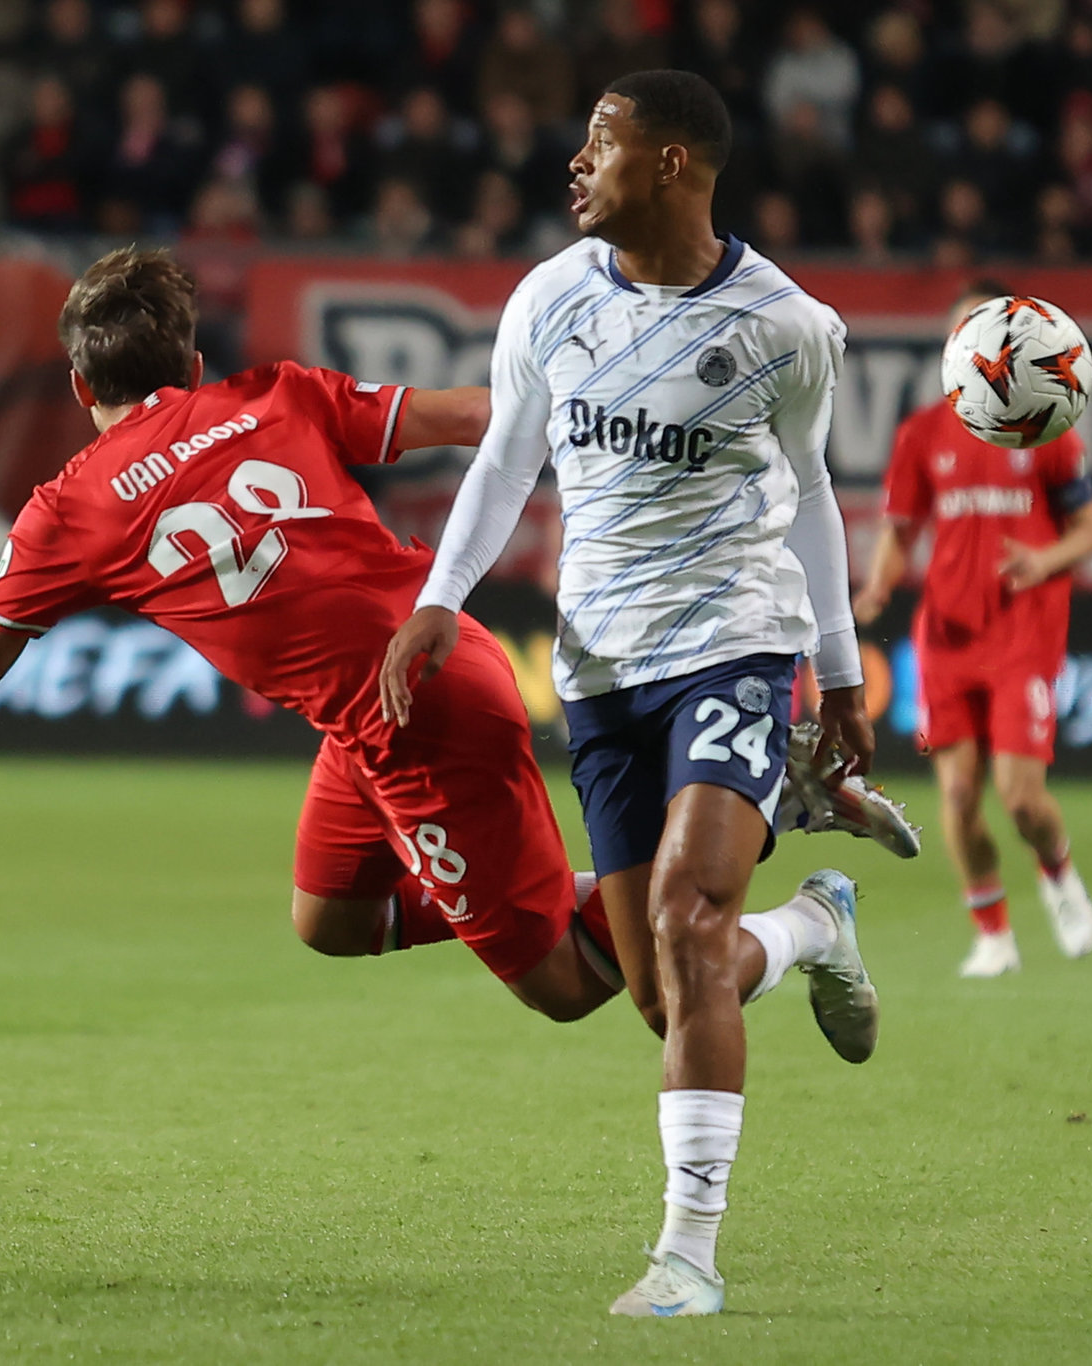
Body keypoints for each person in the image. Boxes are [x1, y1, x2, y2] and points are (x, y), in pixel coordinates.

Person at [0, 247, 625, 1024]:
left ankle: (689, 908)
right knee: (333, 918)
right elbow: (481, 415)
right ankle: (547, 890)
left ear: (78, 385)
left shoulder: (66, 511)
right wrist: (621, 407)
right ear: (193, 368)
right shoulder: (277, 394)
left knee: (563, 985)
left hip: (406, 712)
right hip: (430, 651)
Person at [379, 71, 884, 1318]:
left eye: (599, 141)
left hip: (734, 647)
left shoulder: (784, 326)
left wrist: (837, 670)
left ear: (668, 163)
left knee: (685, 912)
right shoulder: (550, 298)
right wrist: (440, 596)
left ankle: (688, 1258)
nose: (575, 162)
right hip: (600, 673)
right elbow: (505, 460)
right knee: (662, 984)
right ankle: (817, 926)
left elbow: (813, 495)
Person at [852, 281, 1092, 979]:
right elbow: (900, 530)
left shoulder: (1047, 426)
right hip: (947, 636)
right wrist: (876, 585)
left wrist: (1042, 559)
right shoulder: (921, 433)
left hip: (1023, 631)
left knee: (1022, 798)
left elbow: (1090, 529)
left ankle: (1056, 873)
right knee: (958, 796)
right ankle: (992, 933)